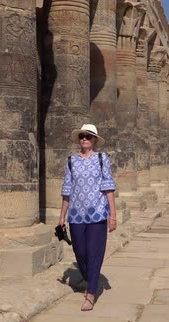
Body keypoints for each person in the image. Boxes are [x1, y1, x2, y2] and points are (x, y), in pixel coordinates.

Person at [58, 124, 117, 311]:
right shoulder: (71, 161)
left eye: (88, 136)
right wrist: (62, 216)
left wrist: (112, 216)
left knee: (94, 253)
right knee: (79, 252)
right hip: (76, 214)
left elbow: (108, 188)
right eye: (82, 136)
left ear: (95, 140)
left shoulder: (102, 158)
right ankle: (90, 276)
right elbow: (67, 190)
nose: (84, 139)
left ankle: (90, 293)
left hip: (98, 213)